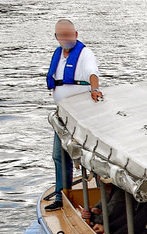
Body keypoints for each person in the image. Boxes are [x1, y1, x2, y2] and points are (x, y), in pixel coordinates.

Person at [46, 19, 102, 211]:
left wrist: (95, 89)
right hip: (62, 115)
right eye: (62, 36)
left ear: (76, 35)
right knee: (59, 155)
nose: (66, 39)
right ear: (57, 37)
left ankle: (103, 194)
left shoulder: (85, 54)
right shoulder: (57, 54)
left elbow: (92, 73)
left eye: (69, 35)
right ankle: (63, 196)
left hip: (81, 115)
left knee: (89, 155)